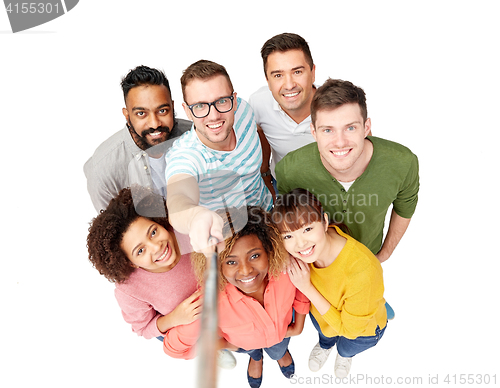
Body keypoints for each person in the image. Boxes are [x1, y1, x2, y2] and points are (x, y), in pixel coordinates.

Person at [86, 186, 235, 369]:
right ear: (131, 262)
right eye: (140, 251)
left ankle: (253, 349)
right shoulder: (129, 290)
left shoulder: (186, 229)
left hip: (228, 300)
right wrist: (174, 318)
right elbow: (143, 329)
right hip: (191, 324)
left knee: (252, 339)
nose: (156, 247)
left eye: (153, 232)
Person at [163, 206, 310, 388]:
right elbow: (173, 349)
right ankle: (256, 359)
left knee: (278, 348)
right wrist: (222, 345)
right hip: (244, 344)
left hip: (283, 334)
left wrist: (298, 327)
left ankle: (279, 354)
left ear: (269, 250)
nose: (246, 270)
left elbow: (302, 288)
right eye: (231, 262)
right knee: (253, 352)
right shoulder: (210, 300)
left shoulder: (285, 270)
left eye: (255, 255)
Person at [276, 78, 419, 264]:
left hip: (368, 258)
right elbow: (289, 223)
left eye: (350, 128)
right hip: (315, 266)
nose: (340, 142)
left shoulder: (403, 162)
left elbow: (405, 208)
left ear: (366, 127)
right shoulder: (289, 170)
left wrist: (384, 255)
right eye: (328, 130)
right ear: (313, 132)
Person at [272, 189, 387, 378]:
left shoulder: (362, 270)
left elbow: (350, 331)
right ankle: (325, 345)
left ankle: (344, 355)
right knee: (325, 336)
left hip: (361, 332)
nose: (300, 244)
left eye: (308, 229)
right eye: (288, 236)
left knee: (347, 346)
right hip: (322, 319)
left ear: (325, 221)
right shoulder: (304, 252)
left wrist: (306, 288)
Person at [165, 60, 272, 254]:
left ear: (234, 100)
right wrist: (195, 217)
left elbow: (259, 135)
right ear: (187, 111)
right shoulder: (186, 155)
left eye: (222, 101)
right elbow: (178, 198)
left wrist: (266, 174)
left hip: (270, 215)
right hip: (233, 243)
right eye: (200, 106)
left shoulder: (243, 111)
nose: (213, 116)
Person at [84, 65, 192, 212]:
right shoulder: (103, 169)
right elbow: (113, 231)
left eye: (162, 111)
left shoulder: (195, 136)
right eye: (141, 113)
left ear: (172, 107)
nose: (154, 123)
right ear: (127, 115)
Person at [248, 33, 317, 193]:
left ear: (313, 73)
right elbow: (261, 135)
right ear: (267, 80)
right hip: (283, 189)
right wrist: (265, 176)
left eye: (297, 72)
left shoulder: (340, 108)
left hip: (330, 192)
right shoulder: (259, 102)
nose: (289, 85)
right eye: (278, 75)